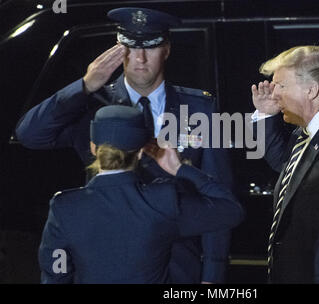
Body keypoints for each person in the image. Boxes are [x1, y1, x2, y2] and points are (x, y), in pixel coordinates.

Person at [16, 8, 234, 283]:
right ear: (118, 50)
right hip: (107, 262)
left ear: (166, 49)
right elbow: (30, 135)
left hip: (177, 267)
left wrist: (212, 276)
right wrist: (84, 86)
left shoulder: (199, 108)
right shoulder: (92, 105)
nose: (140, 59)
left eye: (151, 47)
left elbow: (218, 187)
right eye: (129, 48)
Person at [38, 105, 243, 284]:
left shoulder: (65, 208)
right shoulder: (162, 200)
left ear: (93, 147)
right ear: (140, 152)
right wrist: (180, 169)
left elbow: (57, 271)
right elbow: (231, 210)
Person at [250, 46, 319, 283]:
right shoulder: (303, 133)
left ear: (312, 90)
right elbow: (283, 166)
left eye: (281, 86)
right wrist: (264, 115)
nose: (274, 95)